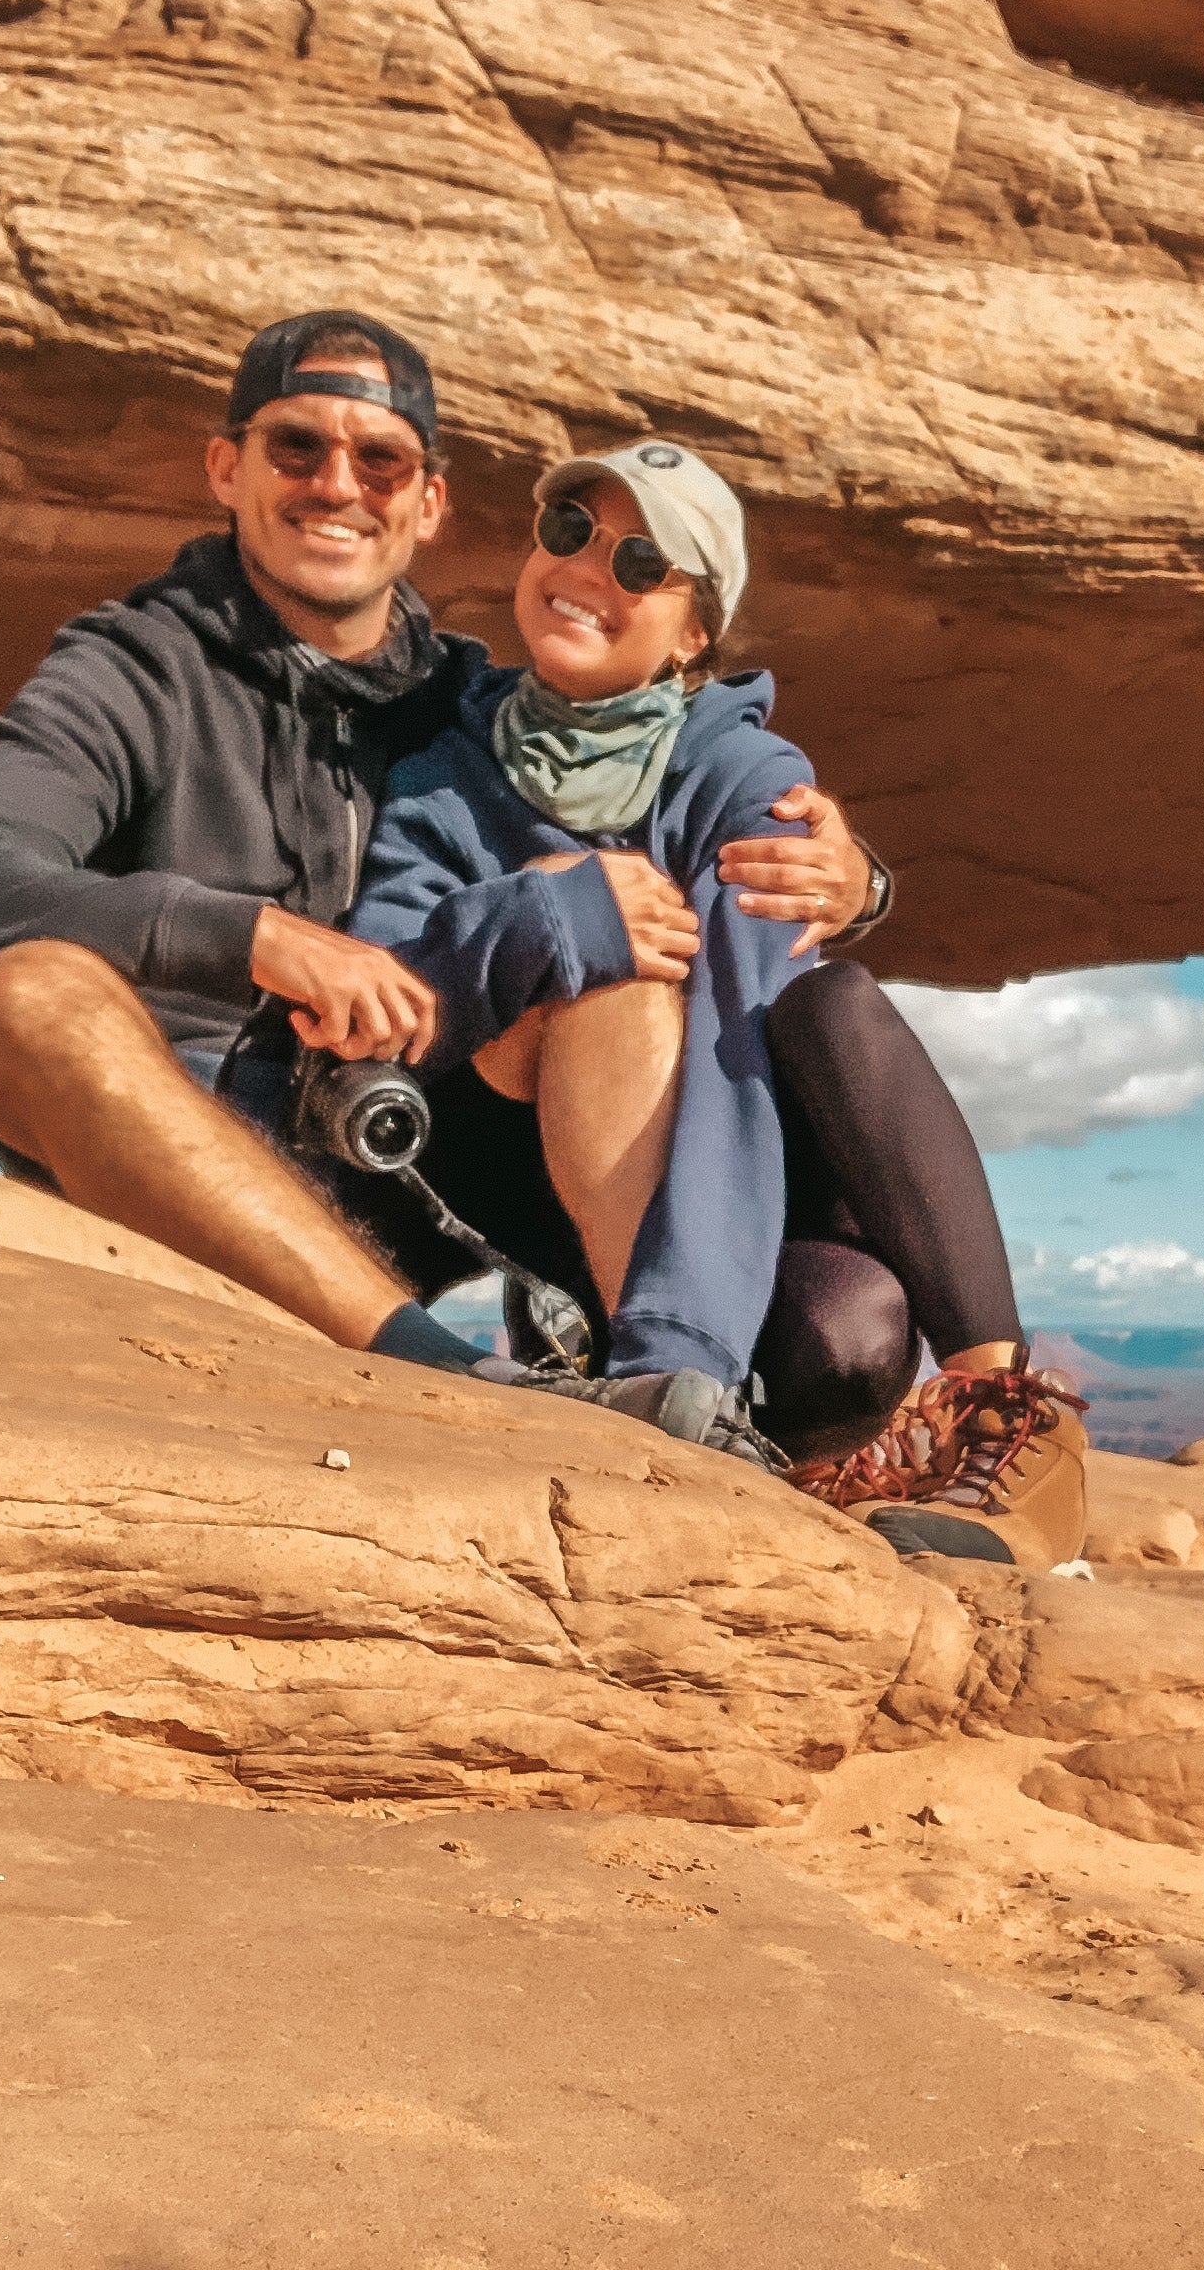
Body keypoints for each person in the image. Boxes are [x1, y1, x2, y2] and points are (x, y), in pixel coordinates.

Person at [339, 443, 1092, 1566]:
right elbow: (388, 995)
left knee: (848, 1267)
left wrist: (682, 1336)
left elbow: (743, 1026)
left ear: (694, 635)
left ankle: (1009, 1430)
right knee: (601, 949)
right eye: (567, 533)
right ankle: (708, 1403)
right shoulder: (443, 770)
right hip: (574, 1239)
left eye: (642, 559)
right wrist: (543, 922)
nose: (590, 568)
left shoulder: (743, 776)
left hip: (734, 1221)